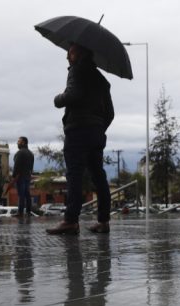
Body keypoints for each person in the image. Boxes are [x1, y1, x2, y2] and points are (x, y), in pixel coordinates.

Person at [46, 44, 114, 235]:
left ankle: (70, 220)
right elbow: (110, 113)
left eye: (71, 51)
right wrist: (98, 127)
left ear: (80, 53)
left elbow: (72, 95)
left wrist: (58, 99)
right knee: (98, 175)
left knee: (74, 174)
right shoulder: (102, 81)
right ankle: (103, 221)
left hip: (78, 131)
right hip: (96, 133)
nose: (68, 56)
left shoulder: (77, 71)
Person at [11, 136, 35, 217]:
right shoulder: (31, 153)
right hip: (27, 176)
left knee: (21, 195)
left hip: (20, 176)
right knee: (27, 194)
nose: (17, 143)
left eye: (19, 141)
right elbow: (31, 167)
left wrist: (14, 175)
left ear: (23, 142)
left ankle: (20, 212)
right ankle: (28, 211)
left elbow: (16, 165)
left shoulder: (20, 152)